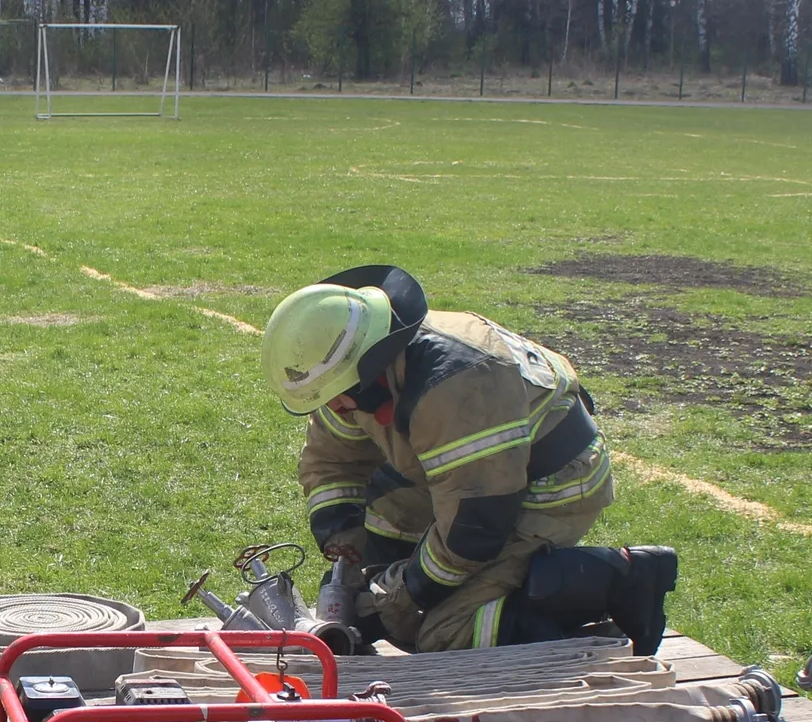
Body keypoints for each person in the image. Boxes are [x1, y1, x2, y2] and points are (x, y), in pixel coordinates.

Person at [262, 264, 676, 654]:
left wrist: (403, 593)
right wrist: (346, 540)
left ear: (371, 365)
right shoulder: (352, 371)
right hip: (466, 476)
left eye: (339, 396)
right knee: (384, 602)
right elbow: (332, 462)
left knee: (441, 631)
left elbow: (474, 529)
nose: (335, 408)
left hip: (549, 486)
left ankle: (622, 580)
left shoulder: (459, 382)